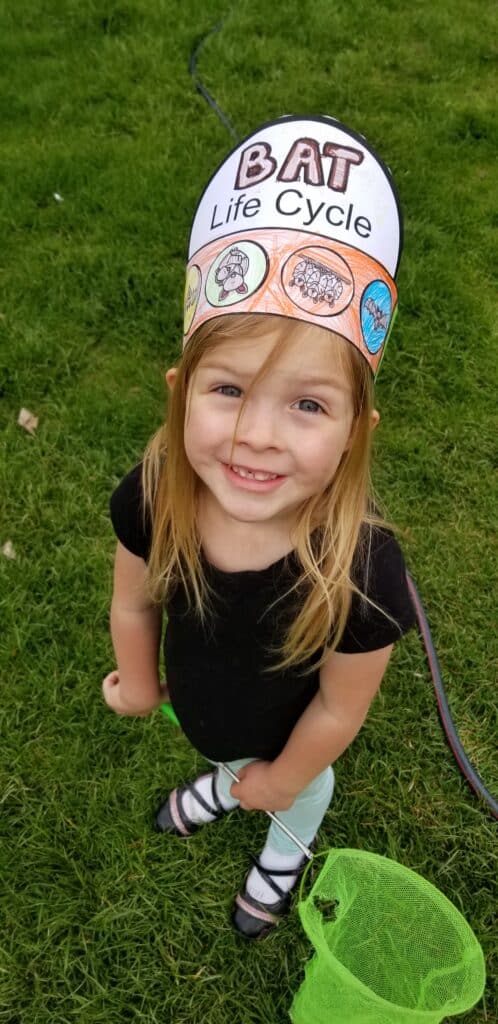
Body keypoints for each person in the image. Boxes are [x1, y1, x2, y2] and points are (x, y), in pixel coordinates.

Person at [103, 115, 415, 939]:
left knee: (288, 794)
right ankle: (223, 778)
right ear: (180, 391)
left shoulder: (364, 571)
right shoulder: (158, 492)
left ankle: (282, 844)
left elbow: (340, 711)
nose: (257, 436)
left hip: (295, 750)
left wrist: (284, 779)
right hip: (204, 714)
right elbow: (133, 603)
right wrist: (139, 684)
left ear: (356, 429)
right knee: (229, 760)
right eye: (229, 390)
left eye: (307, 404)